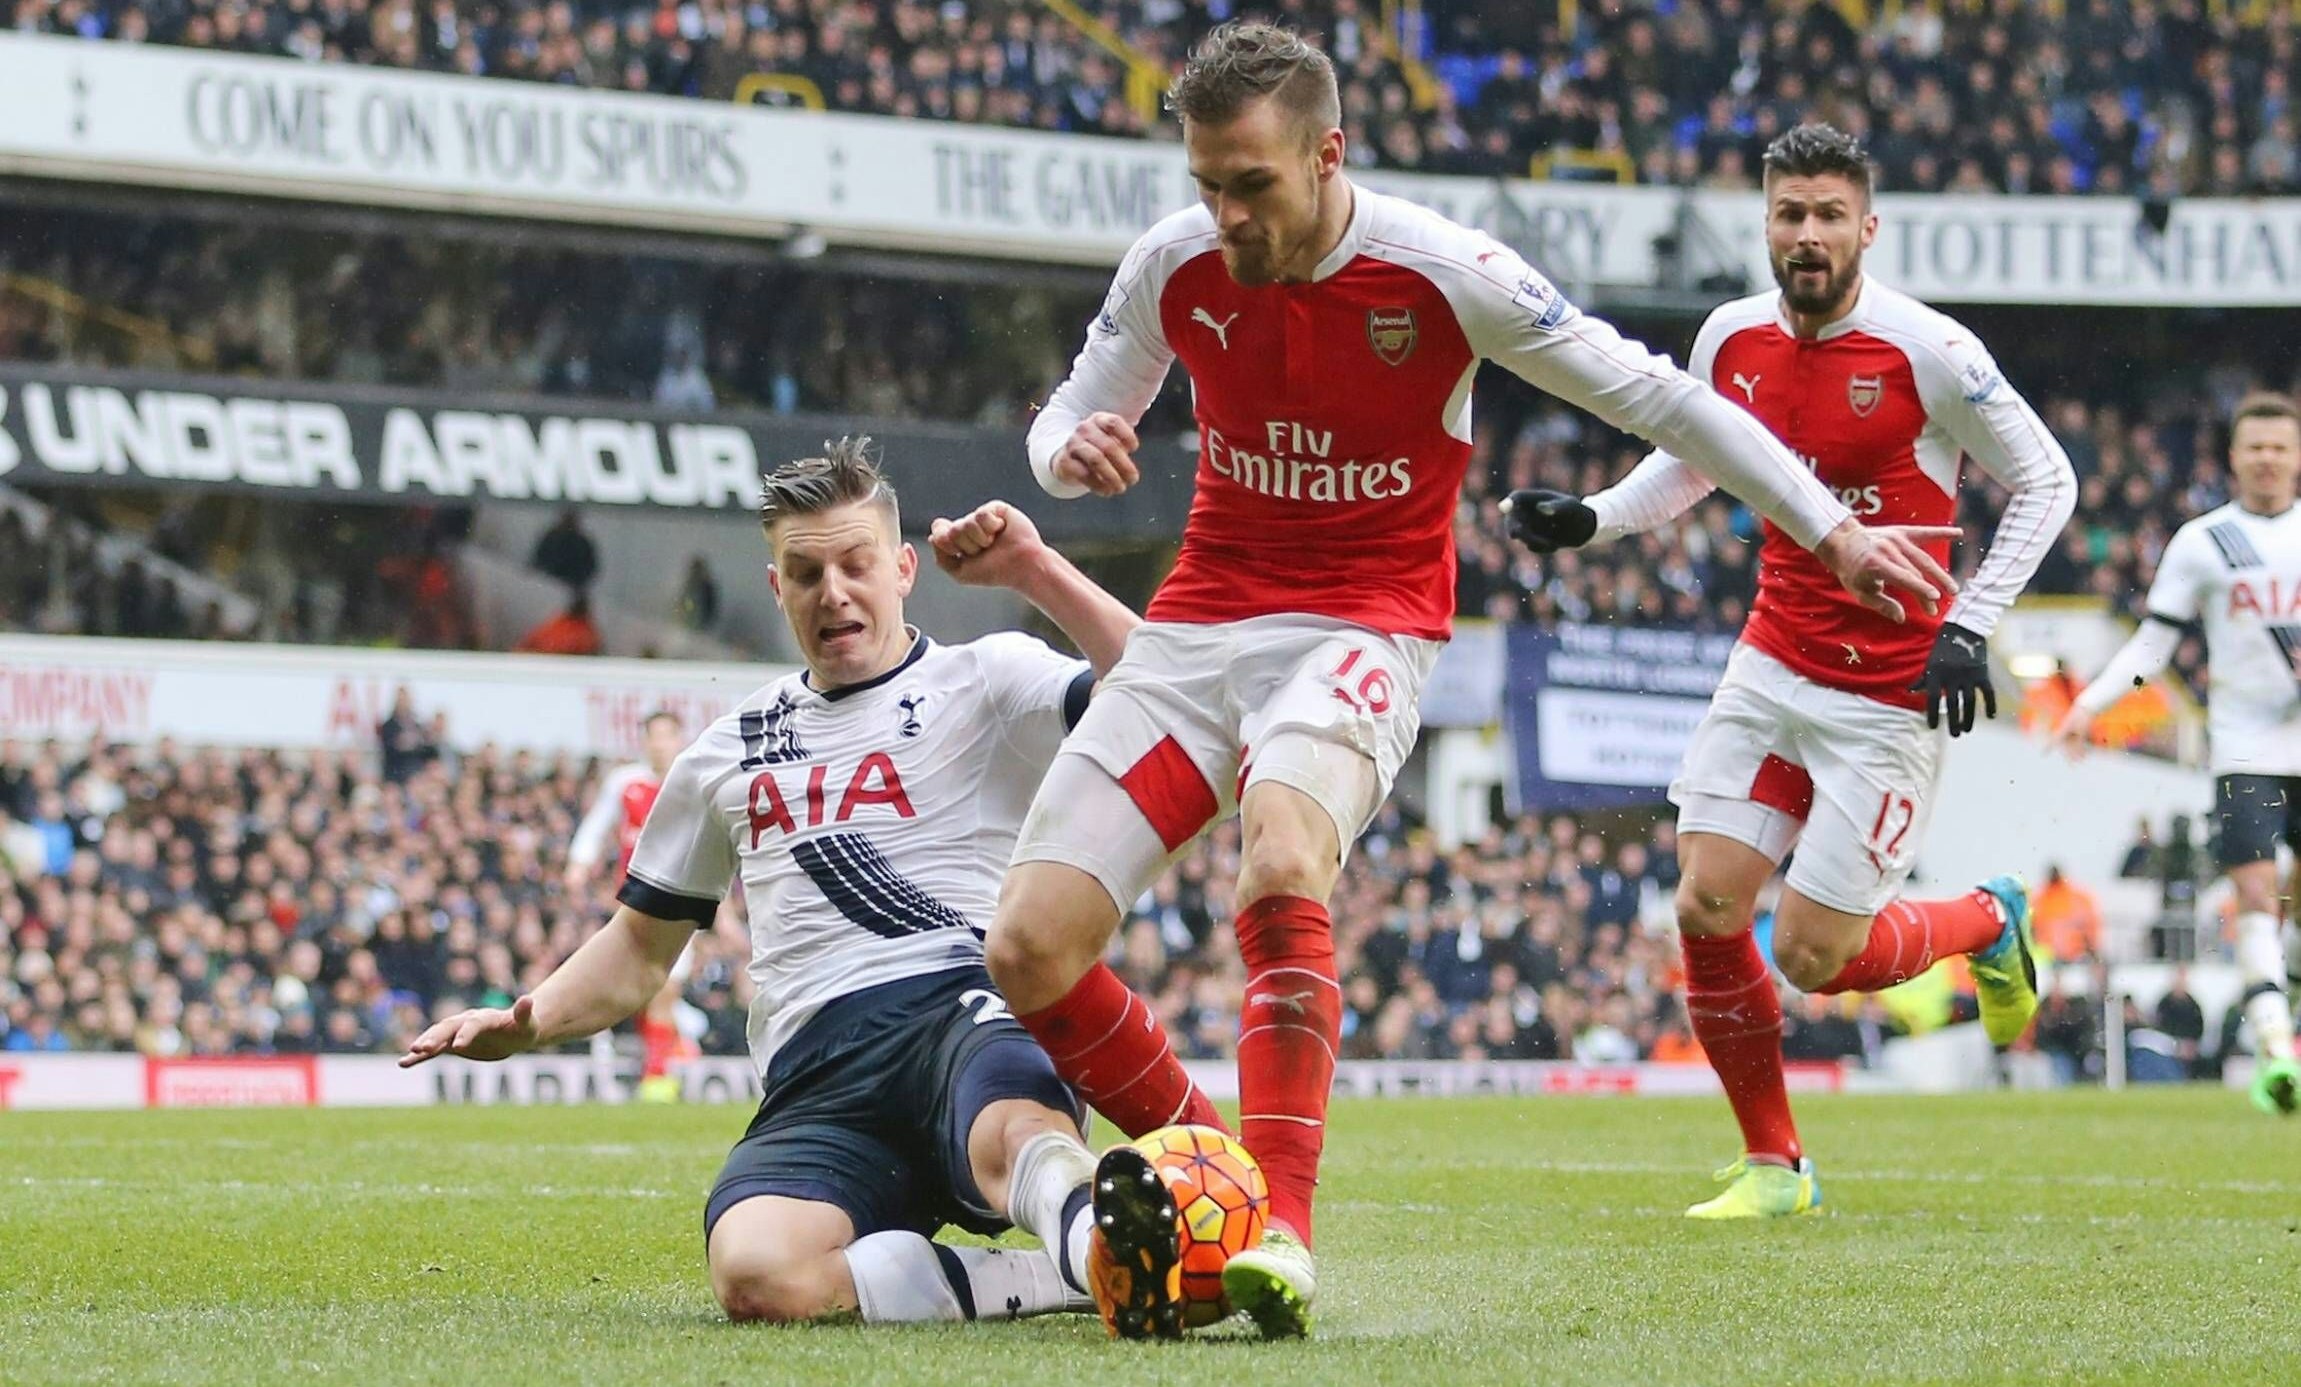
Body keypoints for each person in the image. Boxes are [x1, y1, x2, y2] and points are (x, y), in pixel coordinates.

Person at [988, 28, 1957, 1339]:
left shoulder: (1442, 273)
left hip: (1365, 621)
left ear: (1329, 155)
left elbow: (1669, 404)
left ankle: (1282, 1226)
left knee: (1281, 852)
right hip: (1200, 621)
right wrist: (1071, 452)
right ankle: (1219, 1169)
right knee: (1030, 944)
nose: (1225, 214)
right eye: (1208, 181)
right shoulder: (1173, 262)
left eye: (1253, 185)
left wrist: (1832, 529)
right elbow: (1065, 416)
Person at [404, 439, 1140, 1328]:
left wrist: (1037, 572)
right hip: (820, 1068)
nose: (834, 590)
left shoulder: (987, 677)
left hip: (964, 1011)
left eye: (856, 563)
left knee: (1016, 1136)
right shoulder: (725, 749)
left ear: (903, 568)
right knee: (757, 1273)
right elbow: (640, 950)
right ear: (776, 588)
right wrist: (528, 1018)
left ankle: (1118, 1251)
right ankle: (1066, 1275)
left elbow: (1155, 692)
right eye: (806, 571)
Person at [1507, 124, 2076, 1217]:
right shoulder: (1732, 338)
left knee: (1817, 957)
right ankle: (1776, 1164)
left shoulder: (1930, 352)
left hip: (1888, 696)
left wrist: (1973, 624)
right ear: (1764, 222)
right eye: (1788, 214)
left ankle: (1988, 920)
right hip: (1772, 666)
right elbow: (1696, 462)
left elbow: (2048, 481)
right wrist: (1594, 521)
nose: (1806, 235)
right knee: (1709, 900)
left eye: (1827, 215)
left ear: (1869, 227)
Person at [2056, 391, 2301, 1115]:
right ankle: (2274, 1042)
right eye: (2253, 446)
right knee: (2256, 893)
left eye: (2278, 446)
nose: (2266, 458)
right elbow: (2153, 644)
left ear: (2295, 455)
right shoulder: (2203, 541)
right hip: (2243, 749)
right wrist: (2090, 702)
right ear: (2231, 456)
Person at [565, 709, 695, 1102]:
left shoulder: (693, 783)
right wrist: (579, 863)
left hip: (683, 898)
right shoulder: (625, 783)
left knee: (667, 988)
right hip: (633, 903)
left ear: (679, 740)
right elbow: (597, 824)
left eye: (666, 736)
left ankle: (657, 1074)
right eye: (652, 736)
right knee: (643, 986)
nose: (659, 744)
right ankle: (655, 1066)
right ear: (643, 742)